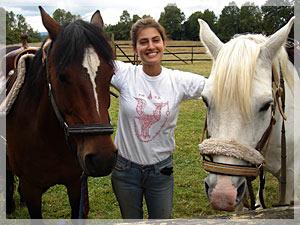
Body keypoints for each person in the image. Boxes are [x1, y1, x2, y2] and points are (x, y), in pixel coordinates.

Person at [110, 17, 206, 219]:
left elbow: (217, 86)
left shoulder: (178, 80)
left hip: (161, 172)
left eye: (156, 40)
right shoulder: (124, 74)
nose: (150, 46)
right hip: (125, 170)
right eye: (143, 42)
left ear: (164, 43)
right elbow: (89, 60)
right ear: (135, 48)